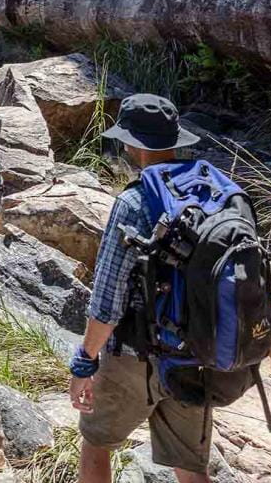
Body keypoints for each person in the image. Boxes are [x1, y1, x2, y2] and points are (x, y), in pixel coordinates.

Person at [72, 94, 213, 483]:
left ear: (133, 145)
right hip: (196, 354)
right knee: (190, 467)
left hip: (138, 355)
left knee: (95, 442)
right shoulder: (207, 192)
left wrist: (84, 362)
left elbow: (107, 300)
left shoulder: (134, 201)